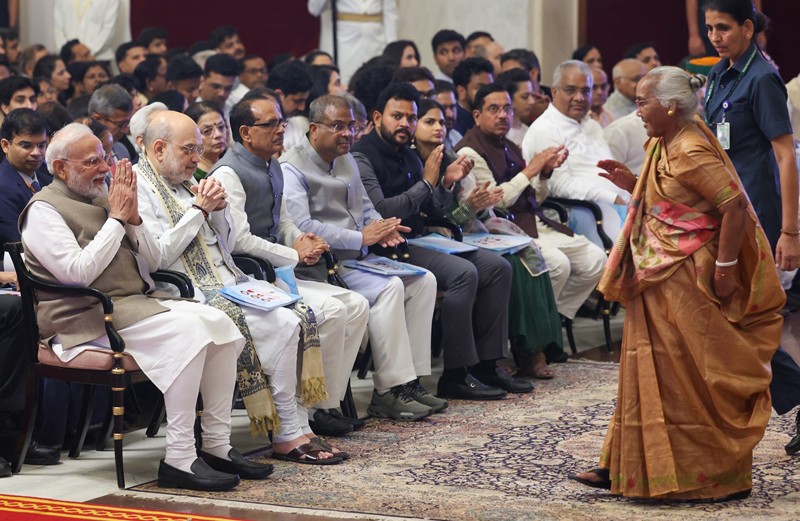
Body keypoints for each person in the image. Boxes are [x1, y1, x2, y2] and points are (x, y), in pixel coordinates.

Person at [21, 122, 273, 490]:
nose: (106, 168)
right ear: (61, 168)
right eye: (92, 162)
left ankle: (217, 445)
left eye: (106, 158)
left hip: (132, 304)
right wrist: (117, 219)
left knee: (221, 324)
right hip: (83, 317)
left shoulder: (103, 194)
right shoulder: (43, 209)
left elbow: (152, 261)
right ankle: (181, 458)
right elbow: (77, 274)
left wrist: (134, 220)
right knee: (191, 334)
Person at [571, 65, 784, 501]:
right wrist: (635, 185)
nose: (637, 111)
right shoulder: (665, 142)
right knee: (651, 371)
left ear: (670, 105)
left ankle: (705, 476)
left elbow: (734, 207)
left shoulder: (688, 149)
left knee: (690, 375)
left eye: (643, 102)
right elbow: (673, 202)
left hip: (688, 274)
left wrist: (725, 267)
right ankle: (625, 465)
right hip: (662, 272)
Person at [135, 110, 345, 464]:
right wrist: (199, 211)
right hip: (185, 293)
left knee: (298, 317)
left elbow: (228, 241)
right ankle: (286, 432)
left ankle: (296, 426)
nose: (196, 159)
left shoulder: (189, 181)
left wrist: (218, 212)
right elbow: (158, 256)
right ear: (158, 149)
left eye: (198, 149)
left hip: (230, 280)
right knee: (282, 325)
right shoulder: (141, 188)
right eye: (188, 150)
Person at [353, 83, 529, 399]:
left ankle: (487, 365)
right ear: (378, 117)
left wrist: (445, 183)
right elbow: (381, 211)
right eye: (398, 116)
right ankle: (455, 374)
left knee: (497, 267)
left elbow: (433, 209)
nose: (405, 124)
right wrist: (427, 182)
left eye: (411, 117)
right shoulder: (362, 156)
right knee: (465, 274)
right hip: (388, 247)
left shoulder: (406, 154)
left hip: (421, 239)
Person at [210, 90, 370, 436]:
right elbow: (239, 240)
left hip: (276, 270)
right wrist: (294, 254)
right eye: (270, 124)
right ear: (245, 133)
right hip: (247, 276)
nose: (280, 130)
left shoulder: (272, 164)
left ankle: (322, 405)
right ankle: (301, 412)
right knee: (331, 310)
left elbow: (282, 221)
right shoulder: (229, 173)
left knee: (355, 305)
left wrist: (301, 238)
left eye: (281, 122)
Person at [281, 94, 441, 420]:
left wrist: (381, 228)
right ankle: (388, 390)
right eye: (338, 126)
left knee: (424, 281)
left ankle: (411, 382)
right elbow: (303, 227)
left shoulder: (348, 159)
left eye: (352, 127)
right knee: (391, 288)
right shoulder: (291, 167)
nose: (347, 134)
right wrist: (362, 237)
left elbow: (365, 207)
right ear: (314, 128)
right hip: (321, 266)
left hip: (357, 258)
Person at [703, 0, 800, 456]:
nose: (715, 37)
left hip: (757, 213)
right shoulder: (721, 72)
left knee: (746, 321)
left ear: (747, 26)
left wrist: (791, 231)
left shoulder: (761, 78)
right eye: (709, 29)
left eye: (724, 27)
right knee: (734, 321)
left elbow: (785, 155)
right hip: (723, 211)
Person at [415, 97, 563, 378]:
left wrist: (479, 205)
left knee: (530, 253)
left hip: (475, 229)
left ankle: (534, 349)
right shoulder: (415, 161)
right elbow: (439, 220)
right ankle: (513, 352)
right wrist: (472, 207)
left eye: (442, 123)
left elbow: (482, 207)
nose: (439, 128)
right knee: (510, 265)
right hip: (443, 238)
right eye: (429, 122)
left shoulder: (453, 157)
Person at [455, 84, 605, 353]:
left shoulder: (509, 145)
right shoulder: (469, 152)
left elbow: (535, 196)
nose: (503, 115)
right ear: (477, 116)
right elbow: (497, 201)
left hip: (533, 221)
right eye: (494, 109)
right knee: (558, 265)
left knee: (595, 260)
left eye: (507, 109)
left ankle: (551, 323)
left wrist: (544, 173)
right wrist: (532, 169)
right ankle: (535, 341)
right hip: (500, 228)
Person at [523, 59, 629, 245]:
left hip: (616, 204)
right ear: (554, 92)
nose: (580, 98)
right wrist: (611, 197)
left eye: (585, 91)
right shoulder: (546, 129)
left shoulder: (592, 126)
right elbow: (560, 185)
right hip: (581, 210)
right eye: (571, 90)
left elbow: (611, 172)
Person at [308, 0, 397, 84]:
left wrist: (391, 51)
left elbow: (390, 14)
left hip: (376, 42)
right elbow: (314, 9)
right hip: (343, 44)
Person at [184, 101, 227, 181]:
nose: (218, 135)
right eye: (207, 131)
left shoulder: (231, 162)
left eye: (221, 127)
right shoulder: (191, 175)